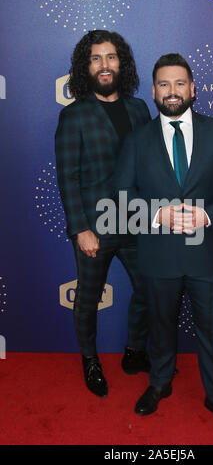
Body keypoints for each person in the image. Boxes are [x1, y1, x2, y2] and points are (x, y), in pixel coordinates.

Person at [114, 53, 213, 434]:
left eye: (179, 83)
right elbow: (121, 194)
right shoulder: (137, 139)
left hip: (207, 253)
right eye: (163, 84)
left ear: (192, 88)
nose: (171, 91)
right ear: (153, 92)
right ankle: (159, 384)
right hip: (159, 254)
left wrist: (207, 214)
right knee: (159, 325)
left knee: (212, 327)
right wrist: (159, 215)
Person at [55, 30, 151, 398]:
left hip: (138, 221)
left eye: (111, 57)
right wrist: (80, 228)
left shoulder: (139, 108)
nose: (104, 64)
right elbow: (69, 177)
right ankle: (90, 360)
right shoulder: (74, 115)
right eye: (96, 58)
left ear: (121, 63)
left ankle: (134, 352)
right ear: (86, 66)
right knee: (88, 296)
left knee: (148, 289)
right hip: (95, 225)